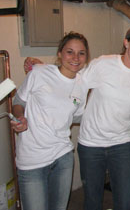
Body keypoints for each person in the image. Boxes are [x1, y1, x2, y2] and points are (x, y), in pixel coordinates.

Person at [24, 24, 130, 210]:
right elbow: (73, 76)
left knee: (126, 202)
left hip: (122, 145)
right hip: (91, 145)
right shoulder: (104, 63)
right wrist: (46, 70)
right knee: (93, 201)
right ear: (126, 42)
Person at [11, 32, 90, 210]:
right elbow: (18, 102)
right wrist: (19, 117)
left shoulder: (82, 85)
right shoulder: (39, 73)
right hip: (32, 160)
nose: (76, 58)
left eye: (81, 53)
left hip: (63, 157)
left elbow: (76, 116)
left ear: (86, 57)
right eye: (70, 52)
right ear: (60, 54)